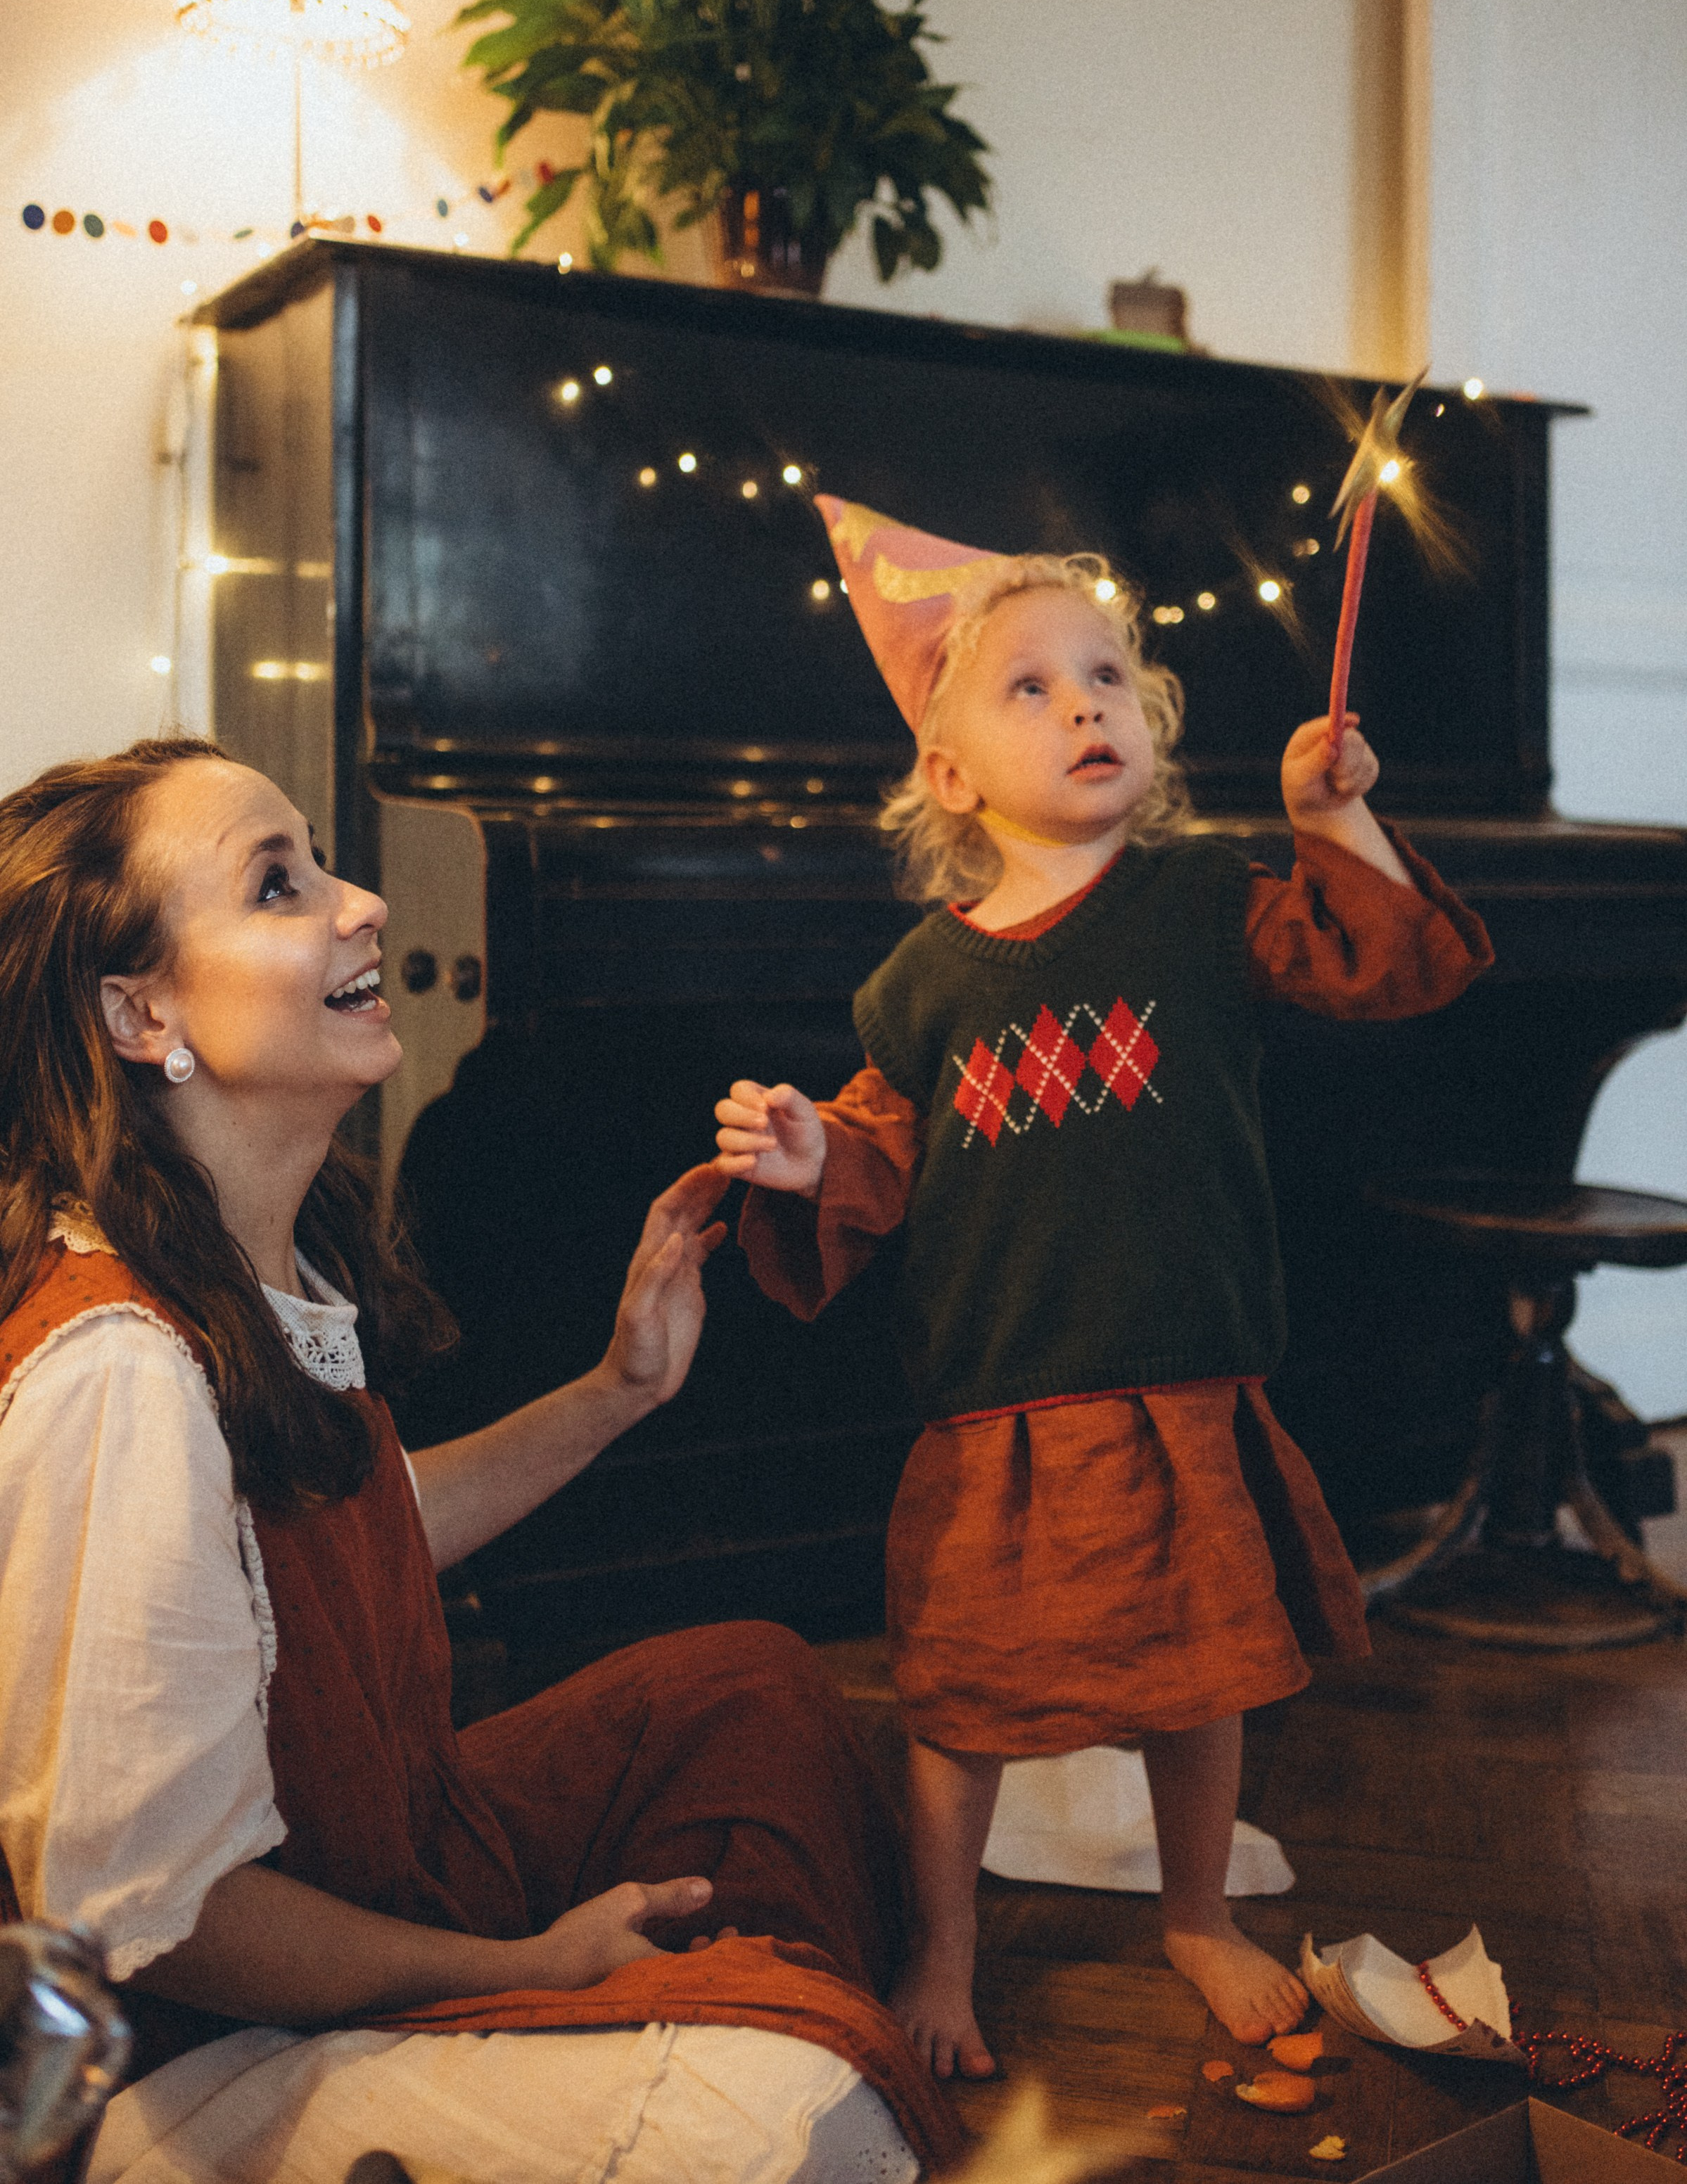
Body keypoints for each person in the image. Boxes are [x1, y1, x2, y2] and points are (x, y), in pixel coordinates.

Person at [0, 737, 964, 2184]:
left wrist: (616, 1389)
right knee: (804, 2119)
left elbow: (353, 1539)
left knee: (747, 1687)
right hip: (198, 2044)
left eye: (324, 859)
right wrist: (526, 1962)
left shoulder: (241, 1261)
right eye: (280, 884)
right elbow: (175, 1919)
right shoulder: (118, 1370)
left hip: (380, 1845)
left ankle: (707, 1998)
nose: (365, 902)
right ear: (139, 1011)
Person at [713, 502, 1493, 2080]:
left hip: (1181, 1373)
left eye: (1108, 677)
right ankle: (943, 1942)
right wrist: (805, 1154)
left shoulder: (1203, 904)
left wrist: (1326, 819)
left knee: (1195, 1675)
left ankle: (1193, 1908)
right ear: (947, 777)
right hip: (999, 1397)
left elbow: (1381, 962)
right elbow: (879, 1155)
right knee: (962, 1698)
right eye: (1032, 687)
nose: (1084, 704)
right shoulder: (920, 984)